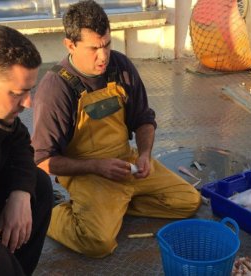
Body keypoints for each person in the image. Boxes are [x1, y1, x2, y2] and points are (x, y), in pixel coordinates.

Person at [31, 0, 201, 257]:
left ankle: (115, 205)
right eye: (94, 48)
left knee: (189, 202)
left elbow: (144, 119)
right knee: (97, 244)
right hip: (88, 173)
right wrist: (97, 167)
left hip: (127, 163)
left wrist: (144, 154)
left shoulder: (120, 66)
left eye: (107, 44)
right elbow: (42, 160)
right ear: (70, 44)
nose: (103, 56)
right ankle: (53, 214)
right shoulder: (56, 88)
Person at [0, 24, 53, 275]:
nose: (29, 103)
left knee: (38, 183)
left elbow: (21, 144)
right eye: (18, 93)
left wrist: (20, 193)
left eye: (30, 90)